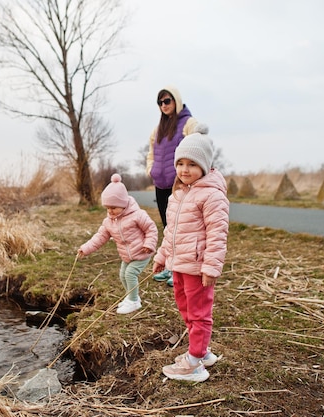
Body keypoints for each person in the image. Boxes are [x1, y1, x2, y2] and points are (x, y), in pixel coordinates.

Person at [152, 131, 229, 382]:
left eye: (192, 164)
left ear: (204, 166)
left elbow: (218, 233)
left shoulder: (211, 194)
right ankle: (202, 351)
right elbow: (171, 232)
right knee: (185, 308)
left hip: (196, 266)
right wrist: (161, 256)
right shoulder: (179, 194)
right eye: (181, 163)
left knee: (199, 313)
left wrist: (211, 267)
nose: (185, 170)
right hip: (179, 265)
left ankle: (194, 363)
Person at [146, 85, 209, 286]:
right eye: (160, 102)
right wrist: (151, 170)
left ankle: (180, 271)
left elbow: (200, 144)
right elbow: (151, 153)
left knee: (182, 229)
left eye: (167, 101)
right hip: (161, 183)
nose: (164, 105)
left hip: (180, 184)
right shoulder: (157, 129)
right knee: (168, 227)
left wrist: (191, 173)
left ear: (176, 101)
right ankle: (170, 267)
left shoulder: (188, 123)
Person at [78, 174, 159, 314]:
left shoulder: (138, 215)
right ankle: (131, 297)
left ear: (123, 204)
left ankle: (134, 301)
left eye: (114, 207)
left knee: (130, 274)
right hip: (126, 255)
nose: (110, 211)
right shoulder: (109, 221)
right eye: (107, 208)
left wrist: (149, 244)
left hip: (142, 252)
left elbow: (151, 229)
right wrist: (85, 249)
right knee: (122, 275)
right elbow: (99, 237)